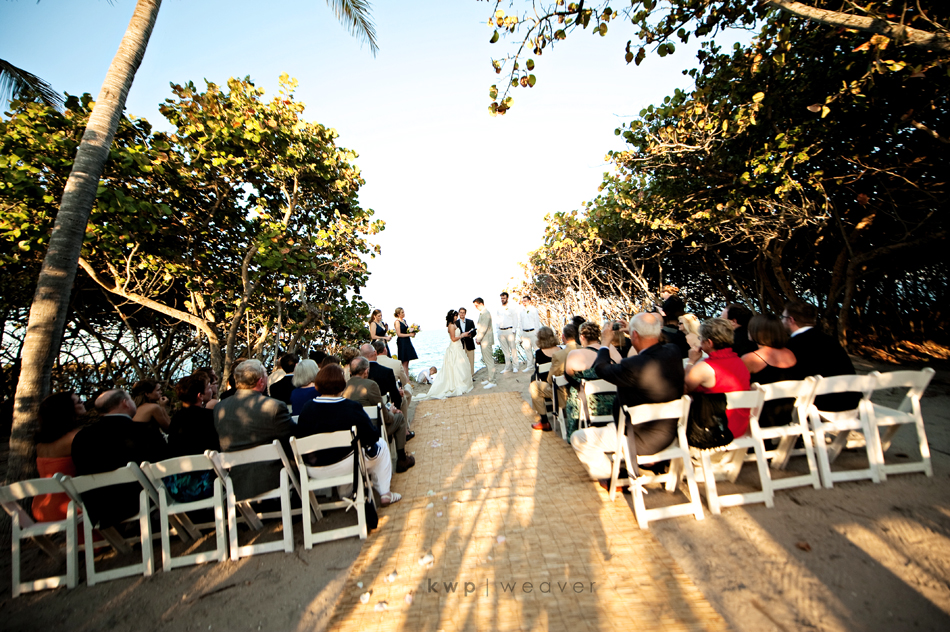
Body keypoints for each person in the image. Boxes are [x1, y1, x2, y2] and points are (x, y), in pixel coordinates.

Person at [570, 312, 686, 481]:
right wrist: (634, 333)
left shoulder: (632, 365)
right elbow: (659, 343)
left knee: (579, 438)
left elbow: (601, 369)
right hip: (670, 434)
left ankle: (610, 478)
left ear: (635, 335)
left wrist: (605, 343)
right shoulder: (673, 352)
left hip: (636, 437)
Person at [296, 364, 400, 506]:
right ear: (342, 384)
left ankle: (346, 492)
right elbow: (372, 436)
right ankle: (385, 493)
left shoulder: (307, 409)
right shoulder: (350, 407)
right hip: (347, 464)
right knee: (381, 445)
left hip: (314, 469)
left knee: (352, 451)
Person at [71, 389, 169, 528]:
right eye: (130, 399)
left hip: (99, 509)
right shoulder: (142, 431)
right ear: (125, 403)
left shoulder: (81, 438)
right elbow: (164, 462)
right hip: (137, 501)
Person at [213, 359, 294, 500]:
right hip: (272, 478)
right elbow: (293, 437)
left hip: (236, 483)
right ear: (261, 381)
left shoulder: (220, 408)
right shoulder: (273, 407)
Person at [782, 300, 859, 411]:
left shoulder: (792, 346)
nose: (781, 320)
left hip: (822, 406)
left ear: (791, 320)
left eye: (783, 317)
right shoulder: (830, 340)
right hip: (851, 402)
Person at [344, 357, 414, 472]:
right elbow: (385, 417)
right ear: (366, 371)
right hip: (373, 431)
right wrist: (392, 412)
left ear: (350, 372)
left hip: (353, 433)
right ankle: (402, 459)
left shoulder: (345, 387)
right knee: (400, 417)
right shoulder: (371, 385)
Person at [685, 318, 752, 437]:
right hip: (741, 425)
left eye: (701, 339)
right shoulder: (740, 361)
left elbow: (684, 389)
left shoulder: (704, 368)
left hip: (717, 429)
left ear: (709, 343)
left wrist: (691, 361)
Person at [164, 374, 220, 502]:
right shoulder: (209, 417)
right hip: (205, 485)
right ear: (200, 395)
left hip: (176, 488)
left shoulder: (175, 419)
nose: (211, 390)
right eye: (208, 387)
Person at [32, 392, 85, 523]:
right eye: (78, 401)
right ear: (67, 410)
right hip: (70, 506)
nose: (83, 402)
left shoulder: (41, 445)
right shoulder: (76, 438)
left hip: (41, 507)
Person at [563, 322, 621, 438]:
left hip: (587, 404)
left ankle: (576, 431)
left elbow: (568, 375)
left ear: (582, 337)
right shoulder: (611, 349)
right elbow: (620, 369)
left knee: (574, 390)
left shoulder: (574, 354)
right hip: (615, 401)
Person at [742, 313, 798, 428]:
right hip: (787, 416)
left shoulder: (751, 358)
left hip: (761, 419)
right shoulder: (790, 354)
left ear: (756, 332)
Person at [416, 310, 475, 400]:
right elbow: (453, 338)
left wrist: (464, 334)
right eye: (455, 316)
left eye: (457, 316)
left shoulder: (454, 324)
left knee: (461, 365)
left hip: (459, 346)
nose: (457, 317)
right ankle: (456, 383)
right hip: (454, 347)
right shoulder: (451, 325)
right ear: (452, 316)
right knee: (455, 366)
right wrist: (463, 335)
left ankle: (462, 381)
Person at [528, 326, 560, 431]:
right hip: (563, 385)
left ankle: (544, 420)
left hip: (550, 387)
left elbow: (539, 374)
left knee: (534, 385)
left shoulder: (539, 353)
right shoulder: (560, 350)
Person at [360, 343, 404, 413]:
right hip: (384, 410)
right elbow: (395, 396)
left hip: (362, 411)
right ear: (375, 353)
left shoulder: (358, 373)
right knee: (400, 415)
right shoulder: (387, 372)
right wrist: (396, 409)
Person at [495, 292, 520, 373]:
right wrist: (497, 330)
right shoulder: (499, 309)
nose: (502, 299)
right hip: (501, 331)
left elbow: (515, 319)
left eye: (504, 298)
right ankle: (507, 367)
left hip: (509, 330)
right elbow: (497, 320)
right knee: (505, 351)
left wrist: (514, 330)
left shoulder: (511, 308)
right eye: (501, 298)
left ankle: (515, 366)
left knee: (513, 349)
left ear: (507, 298)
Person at [473, 297, 496, 383]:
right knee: (486, 360)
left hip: (486, 340)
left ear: (481, 304)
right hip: (483, 340)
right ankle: (490, 378)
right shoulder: (482, 313)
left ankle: (492, 380)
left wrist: (478, 339)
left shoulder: (486, 313)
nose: (475, 307)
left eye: (476, 305)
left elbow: (484, 328)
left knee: (489, 360)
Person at [518, 295, 542, 373]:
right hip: (525, 332)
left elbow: (536, 321)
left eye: (525, 301)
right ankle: (530, 366)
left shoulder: (534, 310)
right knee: (527, 349)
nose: (524, 302)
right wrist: (521, 333)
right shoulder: (521, 311)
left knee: (537, 349)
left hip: (533, 331)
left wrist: (536, 332)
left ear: (529, 301)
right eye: (523, 301)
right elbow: (520, 322)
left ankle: (539, 365)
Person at [393, 307, 419, 377]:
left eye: (403, 312)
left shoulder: (404, 321)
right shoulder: (397, 322)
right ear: (398, 314)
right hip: (402, 342)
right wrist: (409, 335)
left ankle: (407, 378)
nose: (403, 314)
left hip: (407, 341)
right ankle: (405, 379)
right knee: (404, 361)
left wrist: (413, 331)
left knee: (407, 361)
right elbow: (399, 334)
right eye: (402, 312)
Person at [456, 307, 477, 378]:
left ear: (465, 313)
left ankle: (472, 376)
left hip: (469, 344)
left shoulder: (470, 322)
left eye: (463, 312)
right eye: (460, 312)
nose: (462, 314)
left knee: (471, 361)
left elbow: (474, 332)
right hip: (460, 345)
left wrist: (470, 335)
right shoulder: (456, 323)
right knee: (461, 362)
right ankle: (464, 377)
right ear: (459, 313)